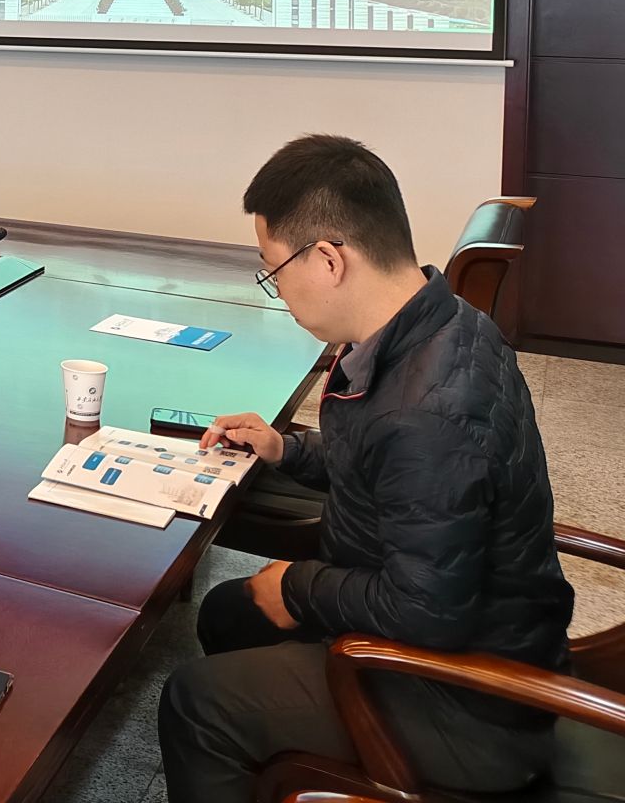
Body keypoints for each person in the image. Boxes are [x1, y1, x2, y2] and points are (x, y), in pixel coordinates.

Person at [158, 135, 573, 803]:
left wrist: (299, 586)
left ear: (328, 259)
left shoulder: (428, 411)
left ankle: (264, 737)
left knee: (194, 700)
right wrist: (286, 449)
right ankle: (284, 765)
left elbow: (424, 612)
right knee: (229, 612)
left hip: (468, 704)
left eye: (273, 270)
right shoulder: (445, 323)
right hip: (469, 630)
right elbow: (389, 467)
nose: (276, 291)